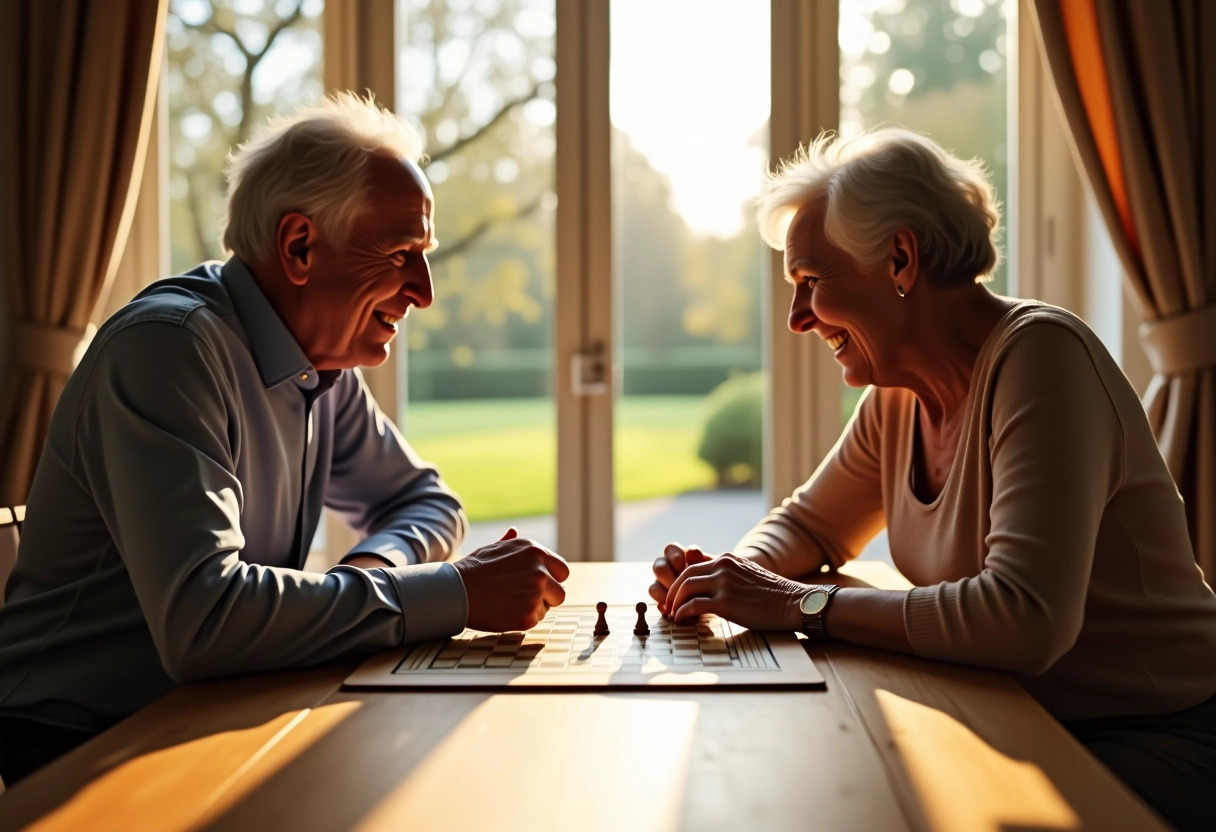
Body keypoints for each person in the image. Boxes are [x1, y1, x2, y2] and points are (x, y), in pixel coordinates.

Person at [649, 128, 1216, 831]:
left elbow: (1024, 621)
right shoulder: (897, 394)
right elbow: (809, 525)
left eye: (811, 283)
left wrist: (799, 604)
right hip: (1017, 715)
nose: (797, 319)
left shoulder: (1042, 358)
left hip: (1158, 736)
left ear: (899, 258)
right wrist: (733, 577)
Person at [0, 93, 568, 785]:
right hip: (73, 750)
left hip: (210, 712)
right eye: (401, 253)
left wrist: (373, 575)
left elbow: (427, 502)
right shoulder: (170, 349)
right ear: (300, 246)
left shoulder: (318, 363)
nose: (423, 292)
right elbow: (205, 621)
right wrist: (452, 592)